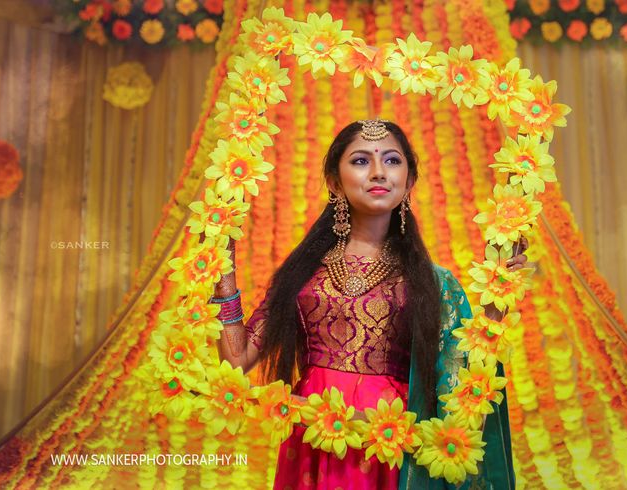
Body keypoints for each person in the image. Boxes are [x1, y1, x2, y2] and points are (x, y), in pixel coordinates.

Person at [212, 119, 523, 489]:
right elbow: (236, 359)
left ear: (409, 182)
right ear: (333, 181)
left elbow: (463, 394)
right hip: (311, 437)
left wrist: (496, 302)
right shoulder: (303, 274)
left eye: (392, 161)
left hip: (388, 446)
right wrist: (222, 265)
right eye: (360, 161)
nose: (378, 172)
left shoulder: (433, 284)